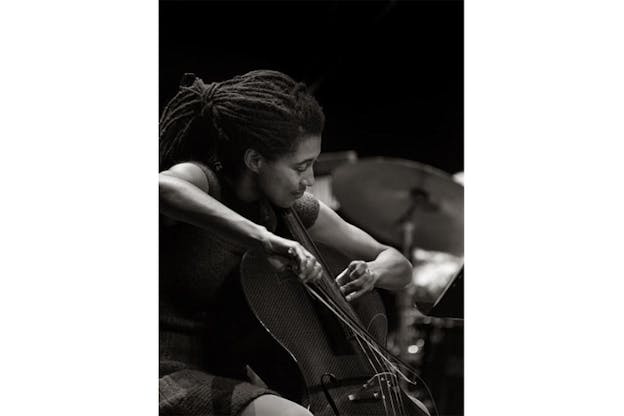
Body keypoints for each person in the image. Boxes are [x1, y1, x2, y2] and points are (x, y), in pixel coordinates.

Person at [159, 70, 415, 416]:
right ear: (255, 160)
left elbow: (398, 263)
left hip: (236, 372)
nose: (309, 180)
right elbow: (161, 188)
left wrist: (373, 271)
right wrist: (264, 239)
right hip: (172, 366)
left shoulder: (290, 206)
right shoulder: (205, 180)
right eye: (301, 167)